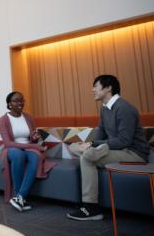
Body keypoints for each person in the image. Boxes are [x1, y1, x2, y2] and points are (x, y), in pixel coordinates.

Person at [67, 75, 150, 221]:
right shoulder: (105, 108)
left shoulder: (124, 108)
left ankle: (91, 207)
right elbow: (100, 132)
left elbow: (124, 141)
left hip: (133, 153)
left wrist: (93, 146)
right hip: (114, 149)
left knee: (87, 157)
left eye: (96, 86)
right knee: (74, 147)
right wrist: (90, 144)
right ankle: (90, 153)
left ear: (108, 88)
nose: (92, 90)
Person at [0, 91, 55, 212]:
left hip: (29, 146)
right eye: (16, 101)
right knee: (18, 155)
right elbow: (7, 143)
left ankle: (20, 197)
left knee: (36, 157)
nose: (20, 103)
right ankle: (19, 195)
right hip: (11, 148)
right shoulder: (3, 120)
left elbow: (32, 138)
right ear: (9, 104)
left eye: (22, 100)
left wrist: (34, 139)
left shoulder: (28, 117)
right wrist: (36, 147)